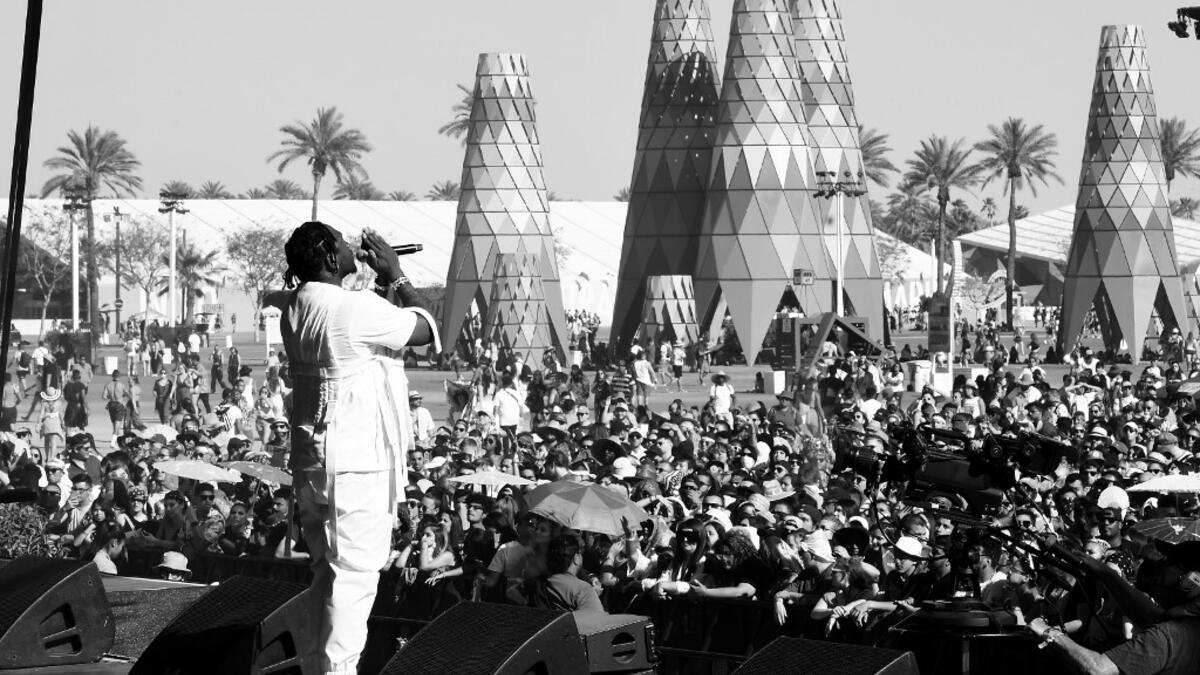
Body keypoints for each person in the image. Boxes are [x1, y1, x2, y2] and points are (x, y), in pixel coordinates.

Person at [272, 222, 438, 675]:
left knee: (327, 576)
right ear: (330, 257)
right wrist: (397, 274)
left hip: (315, 463)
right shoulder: (353, 308)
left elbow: (366, 337)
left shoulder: (296, 305)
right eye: (343, 244)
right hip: (356, 467)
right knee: (355, 580)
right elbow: (425, 328)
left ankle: (317, 667)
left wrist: (379, 285)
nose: (351, 247)